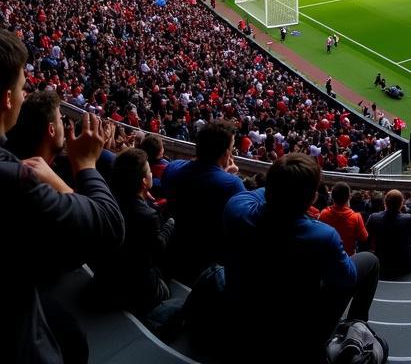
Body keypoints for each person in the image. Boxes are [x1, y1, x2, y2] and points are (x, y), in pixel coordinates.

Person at [0, 31, 126, 364]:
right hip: (22, 338)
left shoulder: (15, 162)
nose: (24, 93)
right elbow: (110, 226)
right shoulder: (17, 179)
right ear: (7, 99)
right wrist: (85, 164)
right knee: (73, 341)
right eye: (21, 87)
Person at [223, 154, 379, 363]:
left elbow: (262, 194)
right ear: (313, 198)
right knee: (370, 260)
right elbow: (347, 279)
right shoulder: (324, 236)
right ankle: (354, 329)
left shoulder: (236, 206)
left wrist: (280, 185)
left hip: (240, 312)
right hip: (297, 330)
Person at [91, 147, 175, 317]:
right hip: (136, 290)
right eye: (150, 171)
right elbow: (157, 247)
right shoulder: (148, 216)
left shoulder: (107, 200)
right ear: (144, 182)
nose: (152, 174)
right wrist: (171, 223)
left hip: (106, 277)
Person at [161, 120, 245, 281]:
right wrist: (228, 175)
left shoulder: (173, 167)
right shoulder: (232, 185)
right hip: (205, 269)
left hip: (172, 252)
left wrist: (223, 171)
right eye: (231, 148)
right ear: (226, 153)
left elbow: (199, 176)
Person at [367, 188, 411, 278]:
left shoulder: (373, 217)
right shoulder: (409, 218)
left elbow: (365, 237)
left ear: (385, 202)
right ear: (401, 204)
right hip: (407, 265)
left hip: (382, 264)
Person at [319, 182, 368, 256]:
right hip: (348, 256)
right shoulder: (356, 217)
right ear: (349, 197)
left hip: (328, 255)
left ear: (332, 197)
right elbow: (364, 237)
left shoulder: (323, 213)